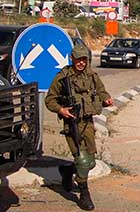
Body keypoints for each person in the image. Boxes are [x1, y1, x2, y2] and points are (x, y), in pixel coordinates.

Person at [45, 44, 113, 211]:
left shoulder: (91, 75)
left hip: (88, 122)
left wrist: (106, 99)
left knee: (90, 163)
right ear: (72, 58)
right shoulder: (62, 78)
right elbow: (49, 100)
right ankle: (84, 194)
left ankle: (68, 171)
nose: (81, 63)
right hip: (72, 123)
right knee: (83, 161)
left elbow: (101, 91)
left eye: (84, 59)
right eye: (78, 59)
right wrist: (61, 110)